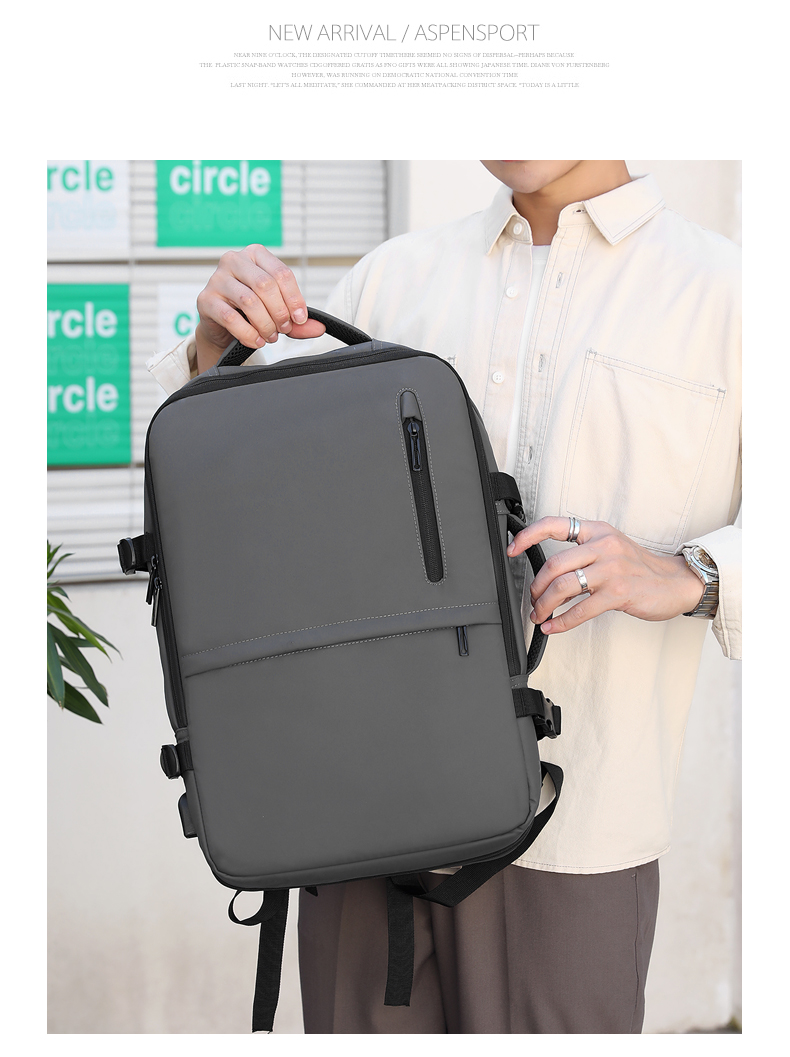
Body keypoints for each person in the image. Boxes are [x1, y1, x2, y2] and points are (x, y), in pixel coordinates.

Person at [147, 161, 741, 1033]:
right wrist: (213, 345)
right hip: (357, 824)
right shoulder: (392, 278)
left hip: (576, 839)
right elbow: (237, 506)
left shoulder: (731, 294)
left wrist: (693, 573)